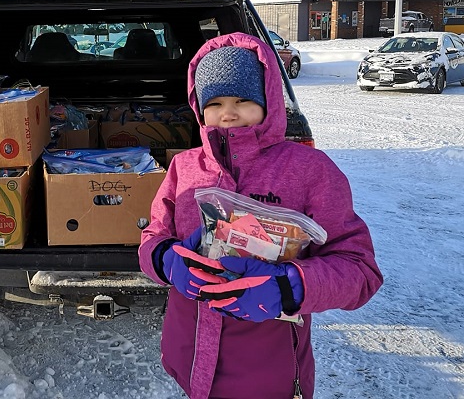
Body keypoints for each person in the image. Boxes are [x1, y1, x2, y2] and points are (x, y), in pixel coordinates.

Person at [138, 32, 382, 399]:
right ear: (198, 106)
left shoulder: (309, 171)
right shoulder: (185, 168)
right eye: (215, 102)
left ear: (268, 100)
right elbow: (153, 235)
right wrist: (165, 259)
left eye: (243, 100)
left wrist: (288, 286)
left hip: (267, 370)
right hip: (186, 355)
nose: (228, 112)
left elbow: (360, 271)